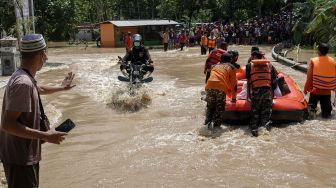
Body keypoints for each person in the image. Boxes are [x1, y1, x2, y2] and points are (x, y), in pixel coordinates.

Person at [0, 34, 76, 188]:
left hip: (21, 155)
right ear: (41, 54)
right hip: (20, 158)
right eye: (45, 53)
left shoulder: (25, 77)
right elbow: (7, 124)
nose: (46, 57)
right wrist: (46, 136)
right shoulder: (23, 83)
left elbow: (38, 88)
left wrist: (63, 88)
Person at [245, 51, 278, 137]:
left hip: (255, 92)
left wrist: (248, 96)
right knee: (266, 115)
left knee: (254, 114)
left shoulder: (249, 66)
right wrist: (273, 95)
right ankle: (265, 132)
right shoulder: (269, 66)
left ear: (254, 57)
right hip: (267, 92)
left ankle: (254, 131)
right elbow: (274, 81)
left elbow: (248, 82)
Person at [204, 53, 238, 128]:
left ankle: (206, 124)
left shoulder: (215, 66)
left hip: (209, 86)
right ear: (230, 60)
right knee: (219, 109)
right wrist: (234, 98)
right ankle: (216, 128)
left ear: (220, 59)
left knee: (210, 107)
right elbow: (234, 85)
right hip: (220, 87)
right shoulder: (231, 67)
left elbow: (208, 77)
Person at [304, 43, 336, 118]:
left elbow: (309, 77)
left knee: (310, 113)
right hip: (327, 92)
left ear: (319, 51)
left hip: (315, 91)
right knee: (327, 115)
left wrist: (306, 89)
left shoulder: (313, 61)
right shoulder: (333, 62)